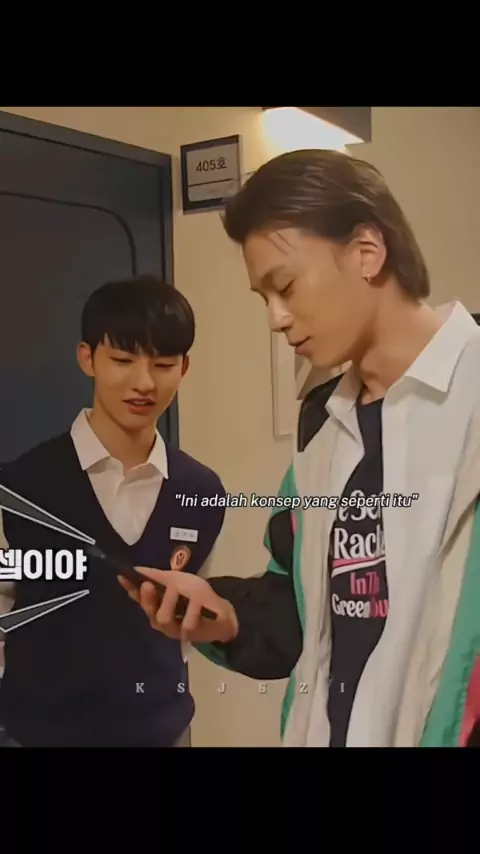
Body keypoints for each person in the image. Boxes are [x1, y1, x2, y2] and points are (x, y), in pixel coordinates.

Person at [122, 149, 480, 748]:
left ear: (367, 251)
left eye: (285, 285)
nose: (276, 318)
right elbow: (305, 608)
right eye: (263, 297)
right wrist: (226, 616)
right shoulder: (321, 425)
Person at [0, 275, 226, 747]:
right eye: (123, 360)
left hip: (162, 731)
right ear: (88, 359)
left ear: (184, 367)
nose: (144, 383)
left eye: (163, 364)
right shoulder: (22, 486)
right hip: (41, 733)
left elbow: (192, 622)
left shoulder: (201, 490)